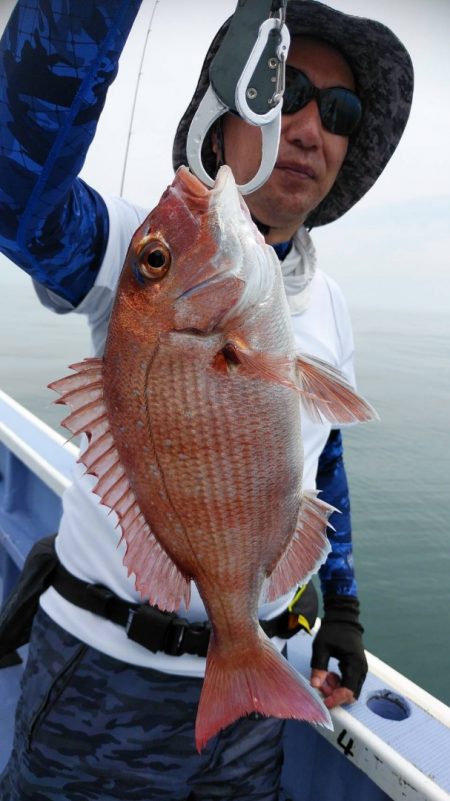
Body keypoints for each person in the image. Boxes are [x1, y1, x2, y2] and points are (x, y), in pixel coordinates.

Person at [0, 1, 413, 799]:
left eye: (339, 112)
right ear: (222, 121)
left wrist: (346, 610)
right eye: (284, 90)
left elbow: (321, 460)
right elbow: (17, 191)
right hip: (102, 681)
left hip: (256, 686)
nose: (309, 128)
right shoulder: (139, 254)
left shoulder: (327, 304)